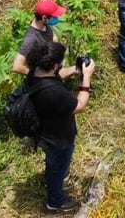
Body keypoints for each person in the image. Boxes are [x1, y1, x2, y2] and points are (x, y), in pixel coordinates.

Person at [24, 39, 95, 212]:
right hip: (58, 137)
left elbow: (55, 75)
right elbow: (80, 106)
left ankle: (55, 177)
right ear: (55, 65)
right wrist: (86, 77)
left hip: (43, 130)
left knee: (53, 162)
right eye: (61, 62)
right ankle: (55, 201)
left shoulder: (34, 74)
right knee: (59, 164)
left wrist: (75, 70)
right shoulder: (53, 92)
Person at [13, 0, 80, 78]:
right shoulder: (31, 39)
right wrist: (40, 75)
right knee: (75, 70)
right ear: (44, 18)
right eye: (54, 17)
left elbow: (53, 36)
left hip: (51, 63)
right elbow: (16, 67)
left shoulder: (44, 25)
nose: (56, 19)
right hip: (44, 71)